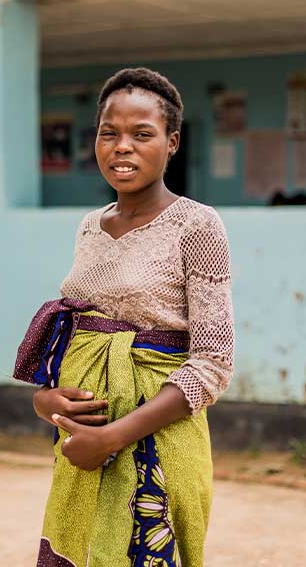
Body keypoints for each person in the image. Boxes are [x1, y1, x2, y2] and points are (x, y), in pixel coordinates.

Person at [13, 67, 235, 567]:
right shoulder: (90, 227)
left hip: (156, 444)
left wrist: (112, 437)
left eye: (142, 134)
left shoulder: (197, 225)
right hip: (80, 445)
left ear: (172, 142)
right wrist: (46, 401)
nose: (122, 147)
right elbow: (74, 333)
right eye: (109, 133)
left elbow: (213, 363)